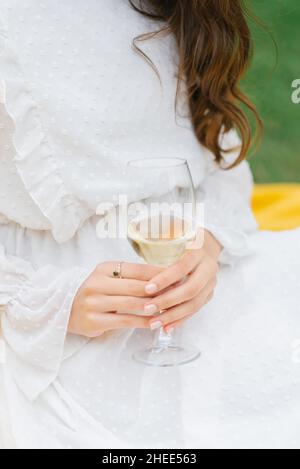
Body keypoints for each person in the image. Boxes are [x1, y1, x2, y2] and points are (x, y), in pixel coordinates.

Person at [0, 0, 299, 449]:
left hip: (203, 289)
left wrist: (209, 244)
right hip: (55, 324)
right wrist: (44, 302)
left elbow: (216, 158)